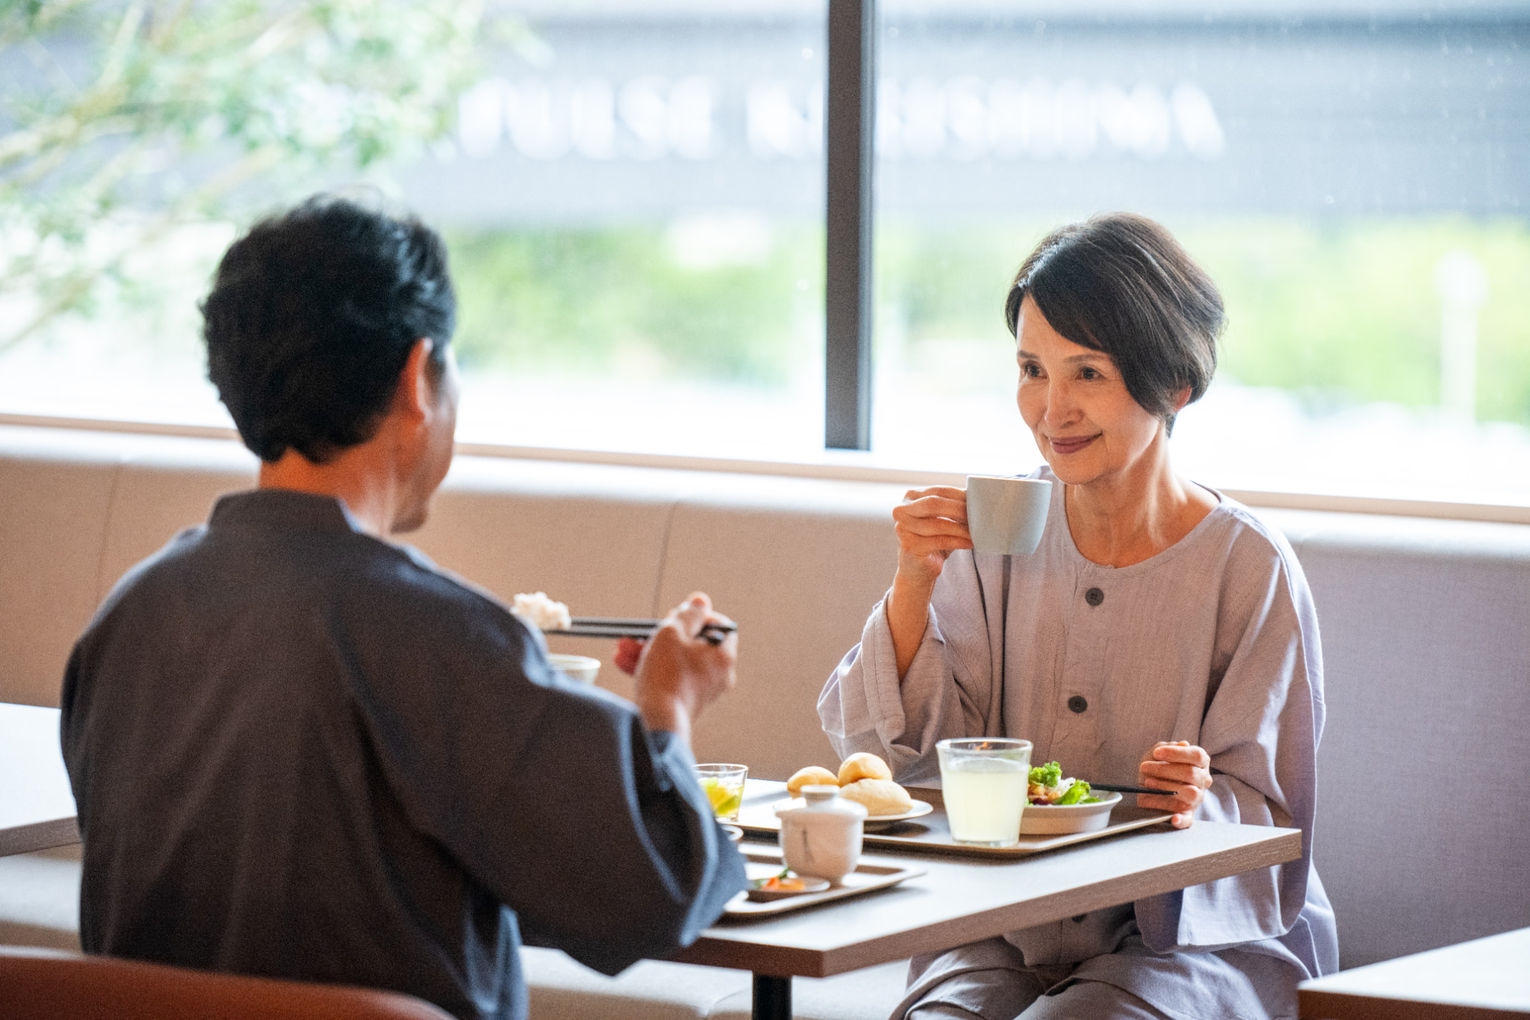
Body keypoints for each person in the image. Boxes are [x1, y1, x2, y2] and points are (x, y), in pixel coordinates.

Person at [59, 193, 748, 1020]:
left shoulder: (129, 615)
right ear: (417, 377)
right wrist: (668, 704)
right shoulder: (434, 633)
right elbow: (655, 889)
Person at [818, 212, 1337, 1019]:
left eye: (1087, 372)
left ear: (1174, 383)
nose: (1051, 408)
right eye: (1032, 367)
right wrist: (912, 584)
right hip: (1001, 923)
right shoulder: (994, 537)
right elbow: (890, 764)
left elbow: (1270, 820)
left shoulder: (1247, 567)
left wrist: (1196, 802)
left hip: (1195, 942)